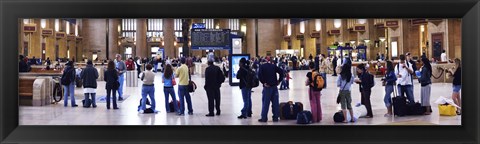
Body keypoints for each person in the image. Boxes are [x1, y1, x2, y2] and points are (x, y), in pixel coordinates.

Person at [257, 57, 285, 122]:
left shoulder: (262, 67)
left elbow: (259, 75)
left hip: (267, 87)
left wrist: (263, 83)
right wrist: (279, 80)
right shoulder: (273, 66)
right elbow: (281, 71)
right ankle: (275, 117)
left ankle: (264, 118)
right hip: (274, 87)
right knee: (275, 103)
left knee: (265, 103)